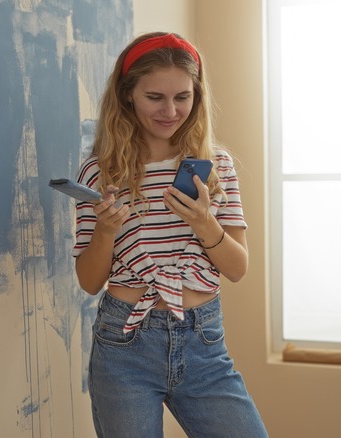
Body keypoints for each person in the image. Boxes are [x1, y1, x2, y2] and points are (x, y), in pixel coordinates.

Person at [72, 31, 268, 438]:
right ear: (128, 95)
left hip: (203, 341)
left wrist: (203, 221)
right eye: (155, 97)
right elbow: (90, 282)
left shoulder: (216, 166)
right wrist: (106, 229)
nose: (171, 110)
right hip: (124, 345)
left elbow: (237, 268)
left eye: (183, 97)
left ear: (196, 95)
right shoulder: (99, 171)